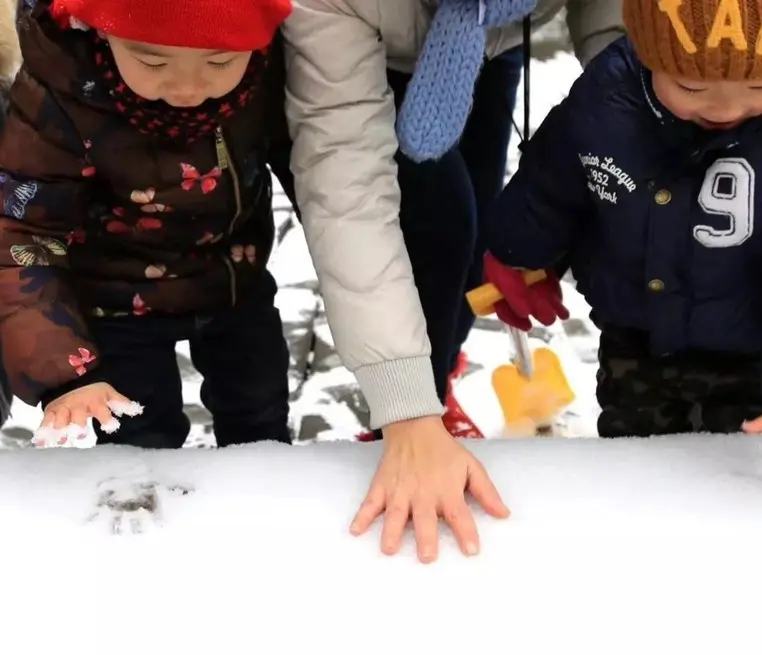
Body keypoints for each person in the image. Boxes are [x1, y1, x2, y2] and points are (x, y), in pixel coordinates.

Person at [476, 0, 762, 467]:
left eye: (761, 83)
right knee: (636, 469)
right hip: (637, 342)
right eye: (692, 85)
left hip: (757, 354)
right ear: (647, 48)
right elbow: (554, 181)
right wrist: (520, 250)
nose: (726, 108)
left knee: (739, 478)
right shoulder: (607, 97)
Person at [281, 0, 620, 563]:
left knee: (482, 231)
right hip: (368, 46)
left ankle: (443, 366)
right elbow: (348, 191)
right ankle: (421, 398)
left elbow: (624, 50)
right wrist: (406, 408)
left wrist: (543, 242)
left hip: (495, 42)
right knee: (441, 227)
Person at [0, 0, 299, 449]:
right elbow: (22, 232)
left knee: (260, 423)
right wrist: (66, 375)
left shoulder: (269, 71)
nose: (186, 87)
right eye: (152, 60)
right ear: (101, 31)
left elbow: (319, 167)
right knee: (139, 439)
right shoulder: (59, 93)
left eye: (219, 61)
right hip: (113, 301)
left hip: (235, 283)